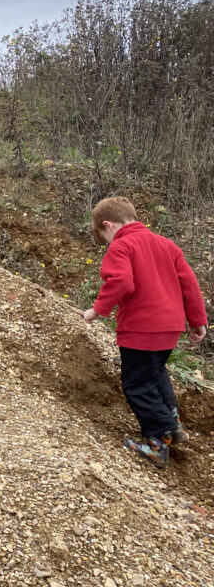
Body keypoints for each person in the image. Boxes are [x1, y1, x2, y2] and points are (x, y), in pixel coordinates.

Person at [82, 197, 207, 468]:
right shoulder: (167, 245)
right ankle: (172, 421)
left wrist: (96, 311)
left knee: (137, 385)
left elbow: (122, 281)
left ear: (108, 225)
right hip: (169, 329)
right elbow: (189, 283)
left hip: (140, 329)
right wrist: (198, 320)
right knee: (155, 373)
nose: (107, 244)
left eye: (104, 238)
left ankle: (157, 440)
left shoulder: (122, 246)